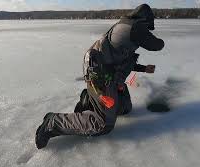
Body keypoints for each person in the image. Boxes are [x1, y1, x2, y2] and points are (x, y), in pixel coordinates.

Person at [35, 4, 164, 149]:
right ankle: (53, 122)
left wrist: (143, 68)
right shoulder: (134, 27)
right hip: (101, 77)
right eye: (148, 27)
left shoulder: (125, 27)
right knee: (103, 124)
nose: (147, 30)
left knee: (125, 108)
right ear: (144, 20)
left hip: (109, 74)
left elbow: (121, 59)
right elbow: (157, 45)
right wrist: (150, 34)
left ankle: (89, 101)